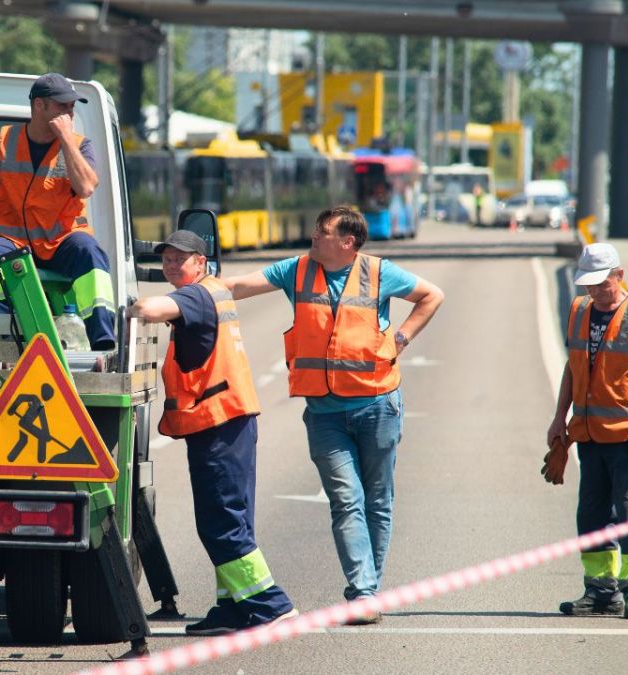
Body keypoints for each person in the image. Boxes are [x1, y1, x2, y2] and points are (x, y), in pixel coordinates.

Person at [223, 206, 444, 624]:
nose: (313, 237)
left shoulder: (379, 272)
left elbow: (432, 295)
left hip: (378, 403)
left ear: (348, 242)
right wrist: (191, 285)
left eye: (322, 233)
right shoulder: (298, 269)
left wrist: (400, 339)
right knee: (347, 499)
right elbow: (237, 285)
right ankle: (363, 591)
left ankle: (366, 589)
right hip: (324, 412)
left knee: (378, 500)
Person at [130, 229, 298, 636]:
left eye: (180, 259)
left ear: (200, 263)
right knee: (231, 516)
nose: (172, 265)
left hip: (218, 421)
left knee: (221, 521)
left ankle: (270, 604)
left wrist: (125, 306)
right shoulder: (214, 289)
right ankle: (234, 607)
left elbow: (152, 310)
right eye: (167, 259)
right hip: (229, 419)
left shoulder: (195, 295)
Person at [545, 242, 628, 620]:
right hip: (588, 435)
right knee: (591, 516)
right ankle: (601, 593)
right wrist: (558, 419)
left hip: (627, 437)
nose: (595, 292)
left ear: (619, 275)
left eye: (602, 284)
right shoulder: (580, 311)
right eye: (589, 285)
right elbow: (573, 368)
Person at [0, 72, 116, 351]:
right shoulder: (1, 140)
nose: (69, 112)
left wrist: (67, 139)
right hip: (13, 242)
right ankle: (10, 325)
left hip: (62, 240)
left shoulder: (79, 144)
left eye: (72, 106)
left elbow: (85, 187)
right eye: (62, 106)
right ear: (39, 106)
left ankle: (101, 337)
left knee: (90, 252)